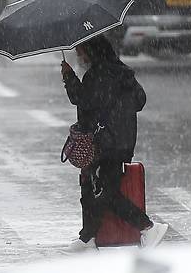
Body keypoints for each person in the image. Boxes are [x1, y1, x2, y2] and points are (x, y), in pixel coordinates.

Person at [60, 35, 168, 252]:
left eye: (81, 49)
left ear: (92, 51)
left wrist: (69, 78)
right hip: (123, 142)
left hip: (105, 144)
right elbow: (140, 100)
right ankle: (87, 238)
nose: (79, 54)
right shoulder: (122, 72)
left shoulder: (96, 75)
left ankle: (147, 227)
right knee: (94, 189)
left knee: (106, 194)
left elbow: (83, 101)